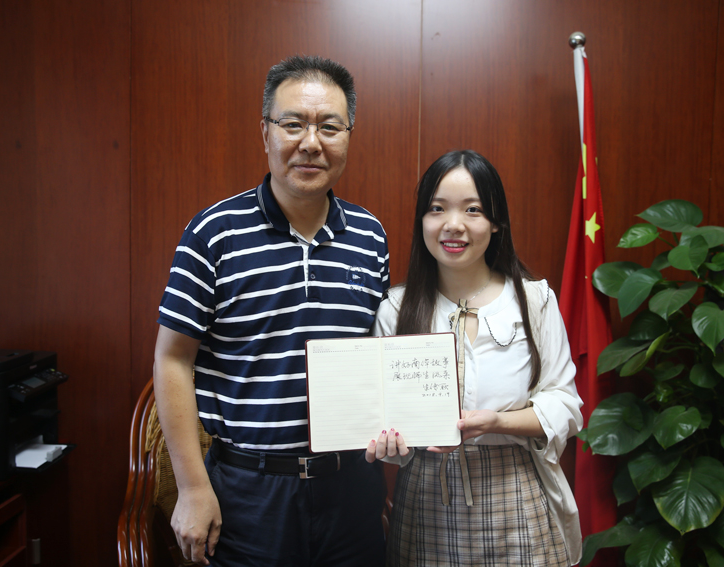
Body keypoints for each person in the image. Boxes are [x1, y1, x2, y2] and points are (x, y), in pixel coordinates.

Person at [153, 55, 390, 567]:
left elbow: (377, 358)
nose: (311, 142)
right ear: (265, 132)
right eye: (293, 124)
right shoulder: (214, 233)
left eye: (330, 127)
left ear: (349, 136)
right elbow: (172, 359)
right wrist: (193, 488)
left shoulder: (370, 237)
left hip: (351, 488)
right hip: (250, 493)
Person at [366, 150, 582, 566]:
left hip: (516, 495)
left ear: (496, 222)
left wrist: (497, 422)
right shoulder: (395, 309)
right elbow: (386, 423)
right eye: (437, 209)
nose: (453, 224)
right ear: (422, 220)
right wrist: (387, 440)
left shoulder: (534, 300)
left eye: (473, 210)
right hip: (426, 501)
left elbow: (565, 405)